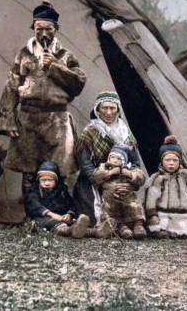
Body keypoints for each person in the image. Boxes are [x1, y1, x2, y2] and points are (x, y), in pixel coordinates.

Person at [0, 0, 87, 196]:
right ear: (33, 29)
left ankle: (58, 212)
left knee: (57, 169)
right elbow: (11, 87)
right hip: (28, 118)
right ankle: (32, 214)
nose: (44, 34)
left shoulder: (66, 55)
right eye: (39, 29)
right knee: (29, 170)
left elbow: (78, 84)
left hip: (57, 120)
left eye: (48, 29)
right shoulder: (24, 55)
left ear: (56, 29)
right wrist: (9, 121)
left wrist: (55, 66)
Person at [73, 91, 140, 227]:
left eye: (112, 108)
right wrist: (103, 182)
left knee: (130, 215)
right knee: (94, 219)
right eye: (104, 108)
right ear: (97, 110)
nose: (108, 113)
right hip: (94, 182)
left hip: (121, 180)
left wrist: (128, 181)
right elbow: (85, 164)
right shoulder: (89, 133)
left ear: (117, 110)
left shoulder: (126, 133)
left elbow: (136, 163)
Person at [24, 160, 111, 238]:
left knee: (75, 223)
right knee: (46, 222)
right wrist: (52, 215)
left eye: (50, 180)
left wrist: (69, 214)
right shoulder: (34, 193)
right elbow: (35, 206)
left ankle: (96, 232)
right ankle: (69, 231)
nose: (47, 183)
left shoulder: (61, 191)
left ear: (56, 181)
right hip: (42, 219)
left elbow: (71, 204)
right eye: (43, 180)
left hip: (61, 218)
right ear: (38, 181)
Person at [144, 136, 187, 239]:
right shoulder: (158, 179)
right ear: (162, 161)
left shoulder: (186, 177)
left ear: (180, 161)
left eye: (175, 160)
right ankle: (163, 232)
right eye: (168, 160)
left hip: (184, 215)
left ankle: (184, 232)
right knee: (159, 231)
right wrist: (152, 214)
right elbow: (151, 198)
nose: (171, 163)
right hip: (164, 215)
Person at [92, 145, 147, 239]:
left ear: (124, 161)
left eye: (119, 158)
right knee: (110, 209)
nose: (115, 160)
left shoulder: (129, 169)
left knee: (135, 206)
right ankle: (122, 228)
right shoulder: (104, 168)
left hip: (128, 198)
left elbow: (141, 178)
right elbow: (97, 177)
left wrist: (129, 174)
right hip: (111, 198)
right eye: (112, 157)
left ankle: (138, 226)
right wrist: (111, 172)